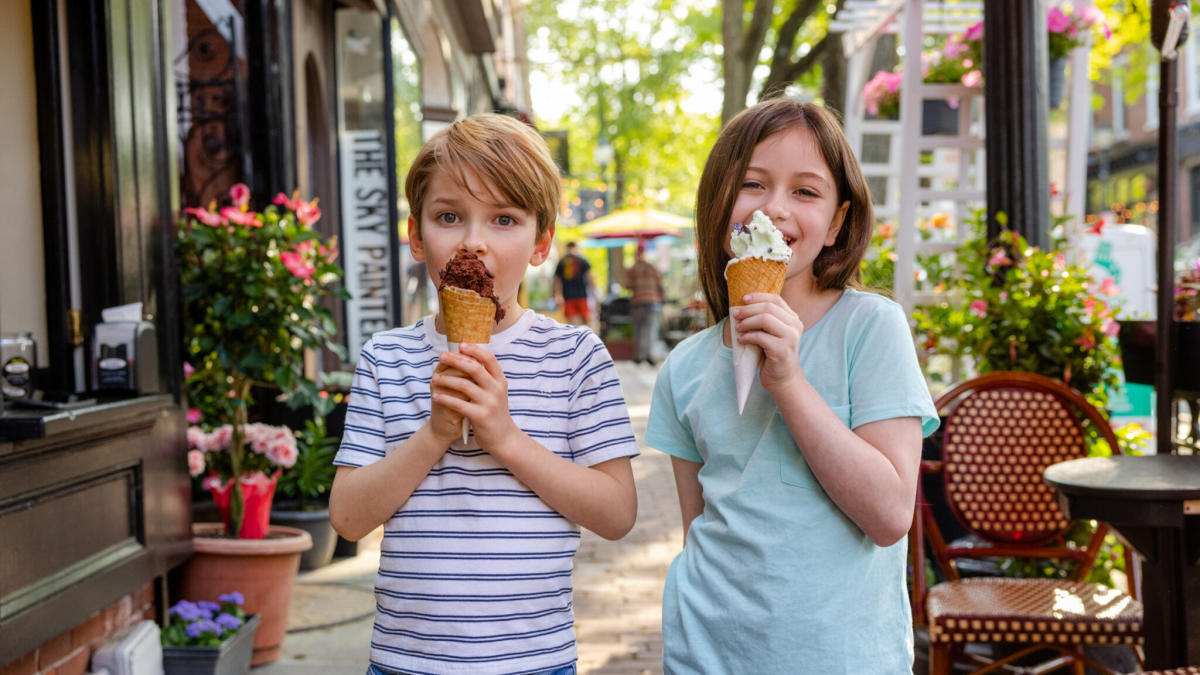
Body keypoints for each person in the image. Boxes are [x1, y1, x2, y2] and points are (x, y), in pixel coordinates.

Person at [329, 113, 639, 675]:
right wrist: (433, 434)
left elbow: (617, 513)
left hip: (534, 659)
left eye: (503, 219)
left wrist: (505, 437)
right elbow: (348, 518)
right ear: (417, 238)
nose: (473, 241)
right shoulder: (387, 358)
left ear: (542, 242)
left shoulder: (576, 357)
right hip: (406, 661)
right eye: (449, 216)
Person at [645, 98, 939, 673]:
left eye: (805, 191)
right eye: (752, 184)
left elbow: (889, 516)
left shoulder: (871, 328)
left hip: (844, 657)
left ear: (835, 223)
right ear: (718, 205)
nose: (774, 208)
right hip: (707, 652)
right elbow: (699, 527)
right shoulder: (683, 367)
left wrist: (788, 379)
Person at [623, 244, 664, 365]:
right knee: (651, 328)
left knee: (638, 329)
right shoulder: (653, 268)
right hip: (652, 301)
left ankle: (639, 356)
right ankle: (649, 355)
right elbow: (660, 285)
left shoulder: (632, 269)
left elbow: (626, 285)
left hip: (638, 302)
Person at [553, 240, 595, 325]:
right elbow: (590, 278)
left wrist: (558, 295)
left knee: (572, 322)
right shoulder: (582, 260)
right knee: (586, 320)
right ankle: (585, 336)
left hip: (568, 296)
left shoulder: (562, 262)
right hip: (581, 295)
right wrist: (593, 293)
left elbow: (557, 280)